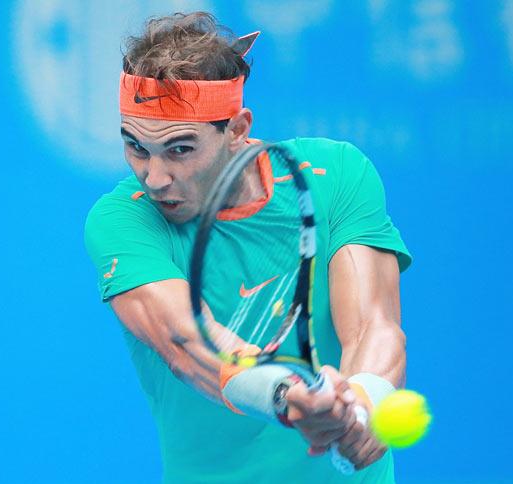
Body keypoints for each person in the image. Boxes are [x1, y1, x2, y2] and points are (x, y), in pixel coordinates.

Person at [85, 11, 412, 484]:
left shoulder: (337, 174)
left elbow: (373, 326)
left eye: (179, 149)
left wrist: (363, 403)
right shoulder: (122, 219)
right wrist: (286, 395)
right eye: (136, 147)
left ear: (237, 129)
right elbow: (186, 342)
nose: (154, 177)